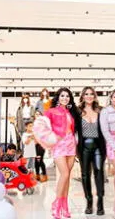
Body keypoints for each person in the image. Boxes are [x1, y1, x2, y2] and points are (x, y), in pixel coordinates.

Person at [45, 87, 79, 219]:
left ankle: (65, 207)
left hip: (70, 144)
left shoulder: (71, 112)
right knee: (64, 174)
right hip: (58, 145)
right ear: (58, 97)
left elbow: (73, 129)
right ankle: (56, 204)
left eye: (67, 96)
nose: (65, 98)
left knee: (67, 176)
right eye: (62, 96)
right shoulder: (51, 111)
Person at [75, 87, 107, 215]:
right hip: (83, 147)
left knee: (99, 173)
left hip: (98, 146)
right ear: (82, 96)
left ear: (94, 96)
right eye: (86, 94)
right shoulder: (77, 111)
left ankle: (100, 202)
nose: (89, 96)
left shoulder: (101, 110)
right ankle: (89, 202)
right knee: (85, 175)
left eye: (91, 94)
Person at [34, 112, 48, 182]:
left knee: (40, 160)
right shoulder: (33, 124)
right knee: (36, 161)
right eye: (36, 114)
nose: (37, 115)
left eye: (39, 114)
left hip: (41, 145)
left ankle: (44, 175)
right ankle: (37, 175)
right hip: (34, 145)